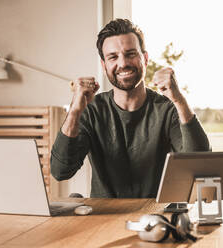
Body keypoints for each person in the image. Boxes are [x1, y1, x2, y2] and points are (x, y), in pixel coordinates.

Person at [51, 19, 210, 198]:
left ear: (146, 59)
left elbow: (200, 164)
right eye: (113, 57)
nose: (123, 63)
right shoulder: (91, 110)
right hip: (105, 219)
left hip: (156, 218)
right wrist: (75, 111)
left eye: (130, 54)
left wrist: (179, 100)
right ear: (104, 66)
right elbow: (60, 171)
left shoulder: (167, 109)